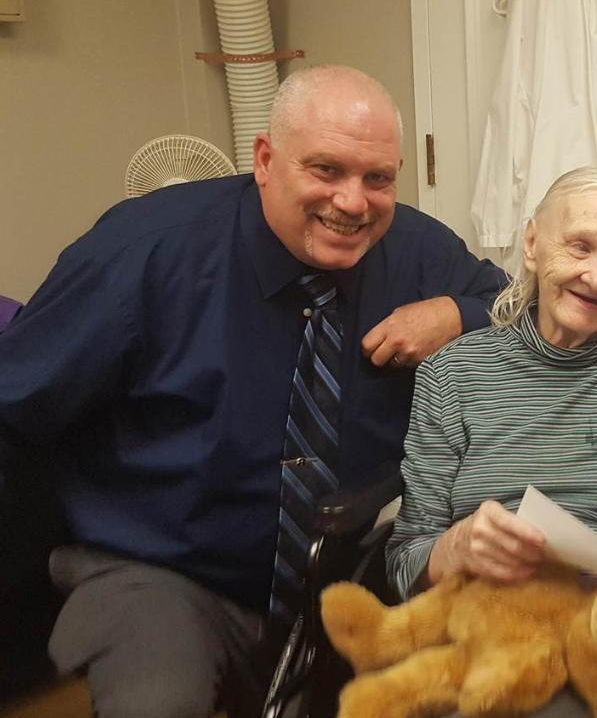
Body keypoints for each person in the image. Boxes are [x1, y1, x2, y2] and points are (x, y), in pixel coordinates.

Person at [0, 65, 506, 718]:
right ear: (265, 159)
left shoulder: (416, 251)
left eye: (377, 177)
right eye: (326, 169)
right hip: (162, 565)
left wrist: (454, 314)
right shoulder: (142, 254)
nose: (353, 202)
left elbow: (514, 304)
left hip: (344, 565)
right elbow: (13, 406)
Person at [386, 166, 597, 716]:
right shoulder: (453, 374)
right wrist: (452, 549)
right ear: (532, 245)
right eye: (581, 246)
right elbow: (406, 561)